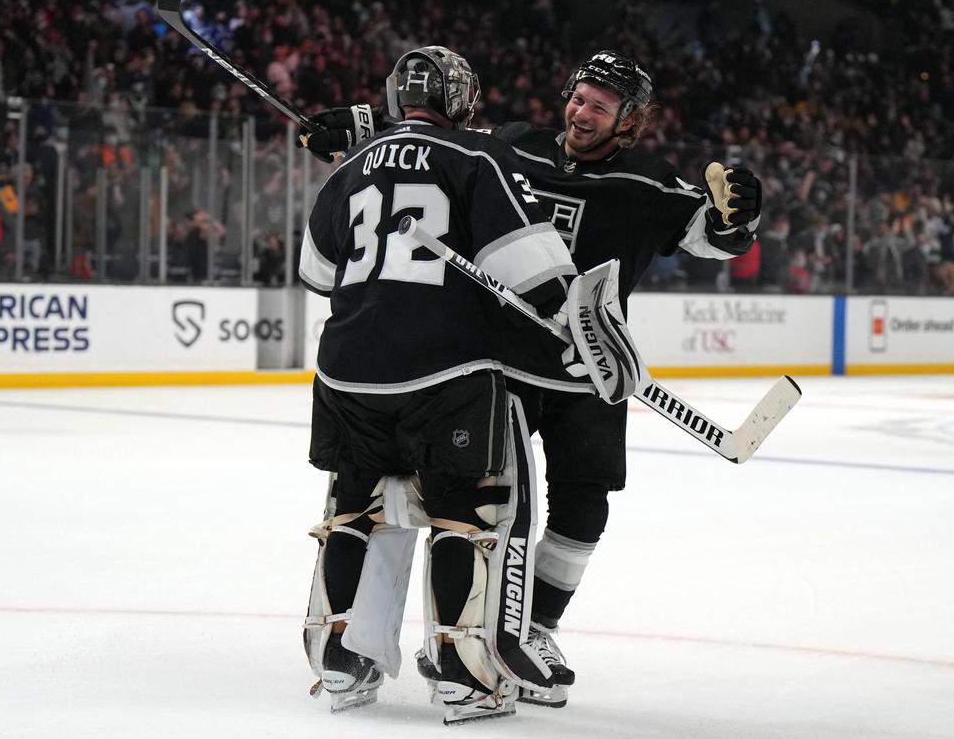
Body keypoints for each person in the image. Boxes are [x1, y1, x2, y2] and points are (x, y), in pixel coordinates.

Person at [298, 49, 763, 710]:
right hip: (498, 362)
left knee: (583, 507)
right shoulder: (514, 146)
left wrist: (735, 218)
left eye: (599, 106)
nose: (581, 111)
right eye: (578, 97)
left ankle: (533, 628)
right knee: (493, 508)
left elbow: (708, 233)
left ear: (628, 121)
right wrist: (360, 123)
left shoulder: (648, 181)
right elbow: (434, 146)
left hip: (584, 370)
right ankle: (485, 640)